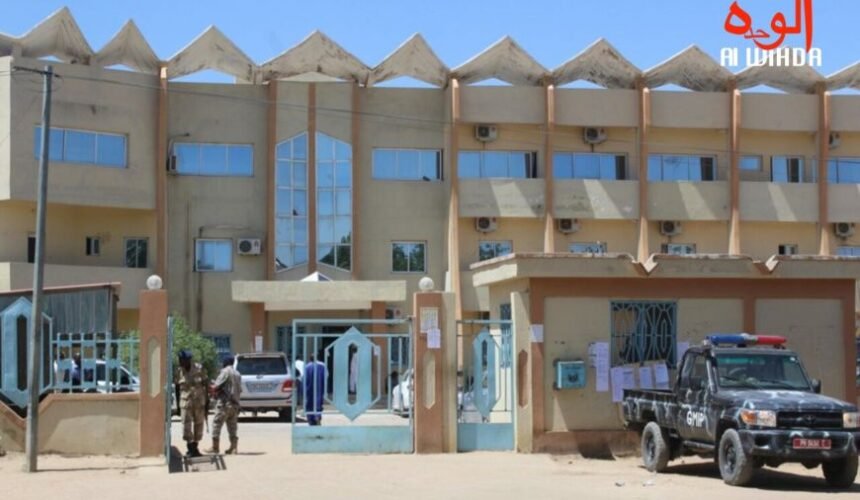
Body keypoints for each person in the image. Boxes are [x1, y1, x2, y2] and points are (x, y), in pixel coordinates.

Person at [206, 356, 241, 455]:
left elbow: (215, 386)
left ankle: (215, 447)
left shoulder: (225, 372)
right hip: (235, 404)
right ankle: (233, 448)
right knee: (232, 427)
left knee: (217, 424)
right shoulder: (237, 373)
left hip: (224, 404)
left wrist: (208, 385)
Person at [177, 349, 208, 457]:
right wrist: (178, 406)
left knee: (199, 424)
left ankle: (195, 447)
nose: (180, 361)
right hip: (186, 403)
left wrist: (207, 402)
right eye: (179, 359)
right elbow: (177, 388)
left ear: (188, 360)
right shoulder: (179, 371)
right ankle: (190, 447)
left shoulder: (199, 369)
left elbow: (205, 384)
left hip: (199, 402)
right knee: (186, 425)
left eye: (182, 359)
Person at [303, 354, 327, 426]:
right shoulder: (322, 366)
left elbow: (304, 379)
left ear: (310, 359)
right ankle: (317, 417)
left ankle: (311, 420)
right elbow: (326, 377)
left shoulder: (307, 367)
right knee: (318, 404)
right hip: (319, 389)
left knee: (309, 405)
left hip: (309, 389)